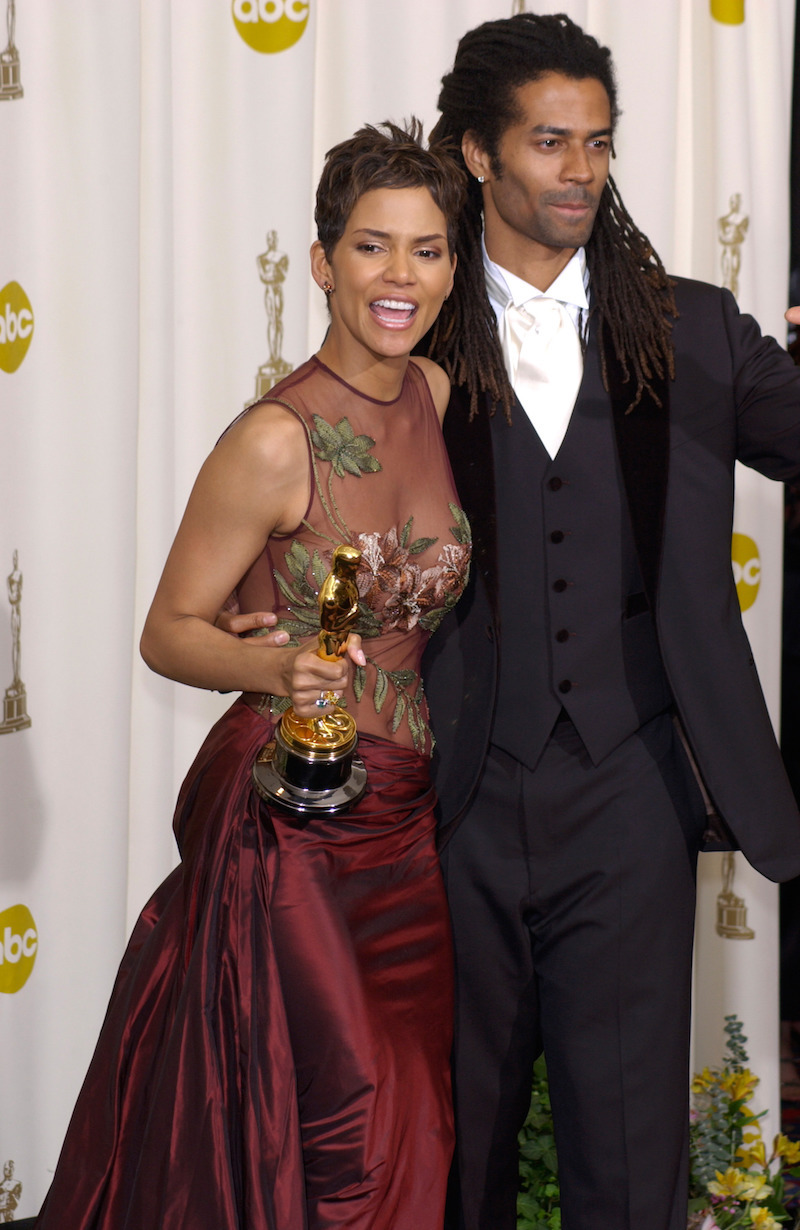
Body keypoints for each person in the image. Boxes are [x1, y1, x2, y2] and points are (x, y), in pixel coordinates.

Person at [35, 120, 469, 1230]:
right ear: (321, 263)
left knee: (415, 1116)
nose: (399, 276)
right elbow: (169, 631)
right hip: (299, 829)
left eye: (425, 250)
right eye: (372, 247)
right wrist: (281, 664)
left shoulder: (433, 390)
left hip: (406, 830)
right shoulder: (275, 440)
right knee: (337, 1129)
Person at [416, 13, 800, 1230]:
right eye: (548, 142)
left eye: (597, 142)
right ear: (478, 154)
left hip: (630, 796)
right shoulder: (406, 328)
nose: (579, 170)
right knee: (445, 1152)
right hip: (449, 794)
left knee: (630, 1165)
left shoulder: (689, 330)